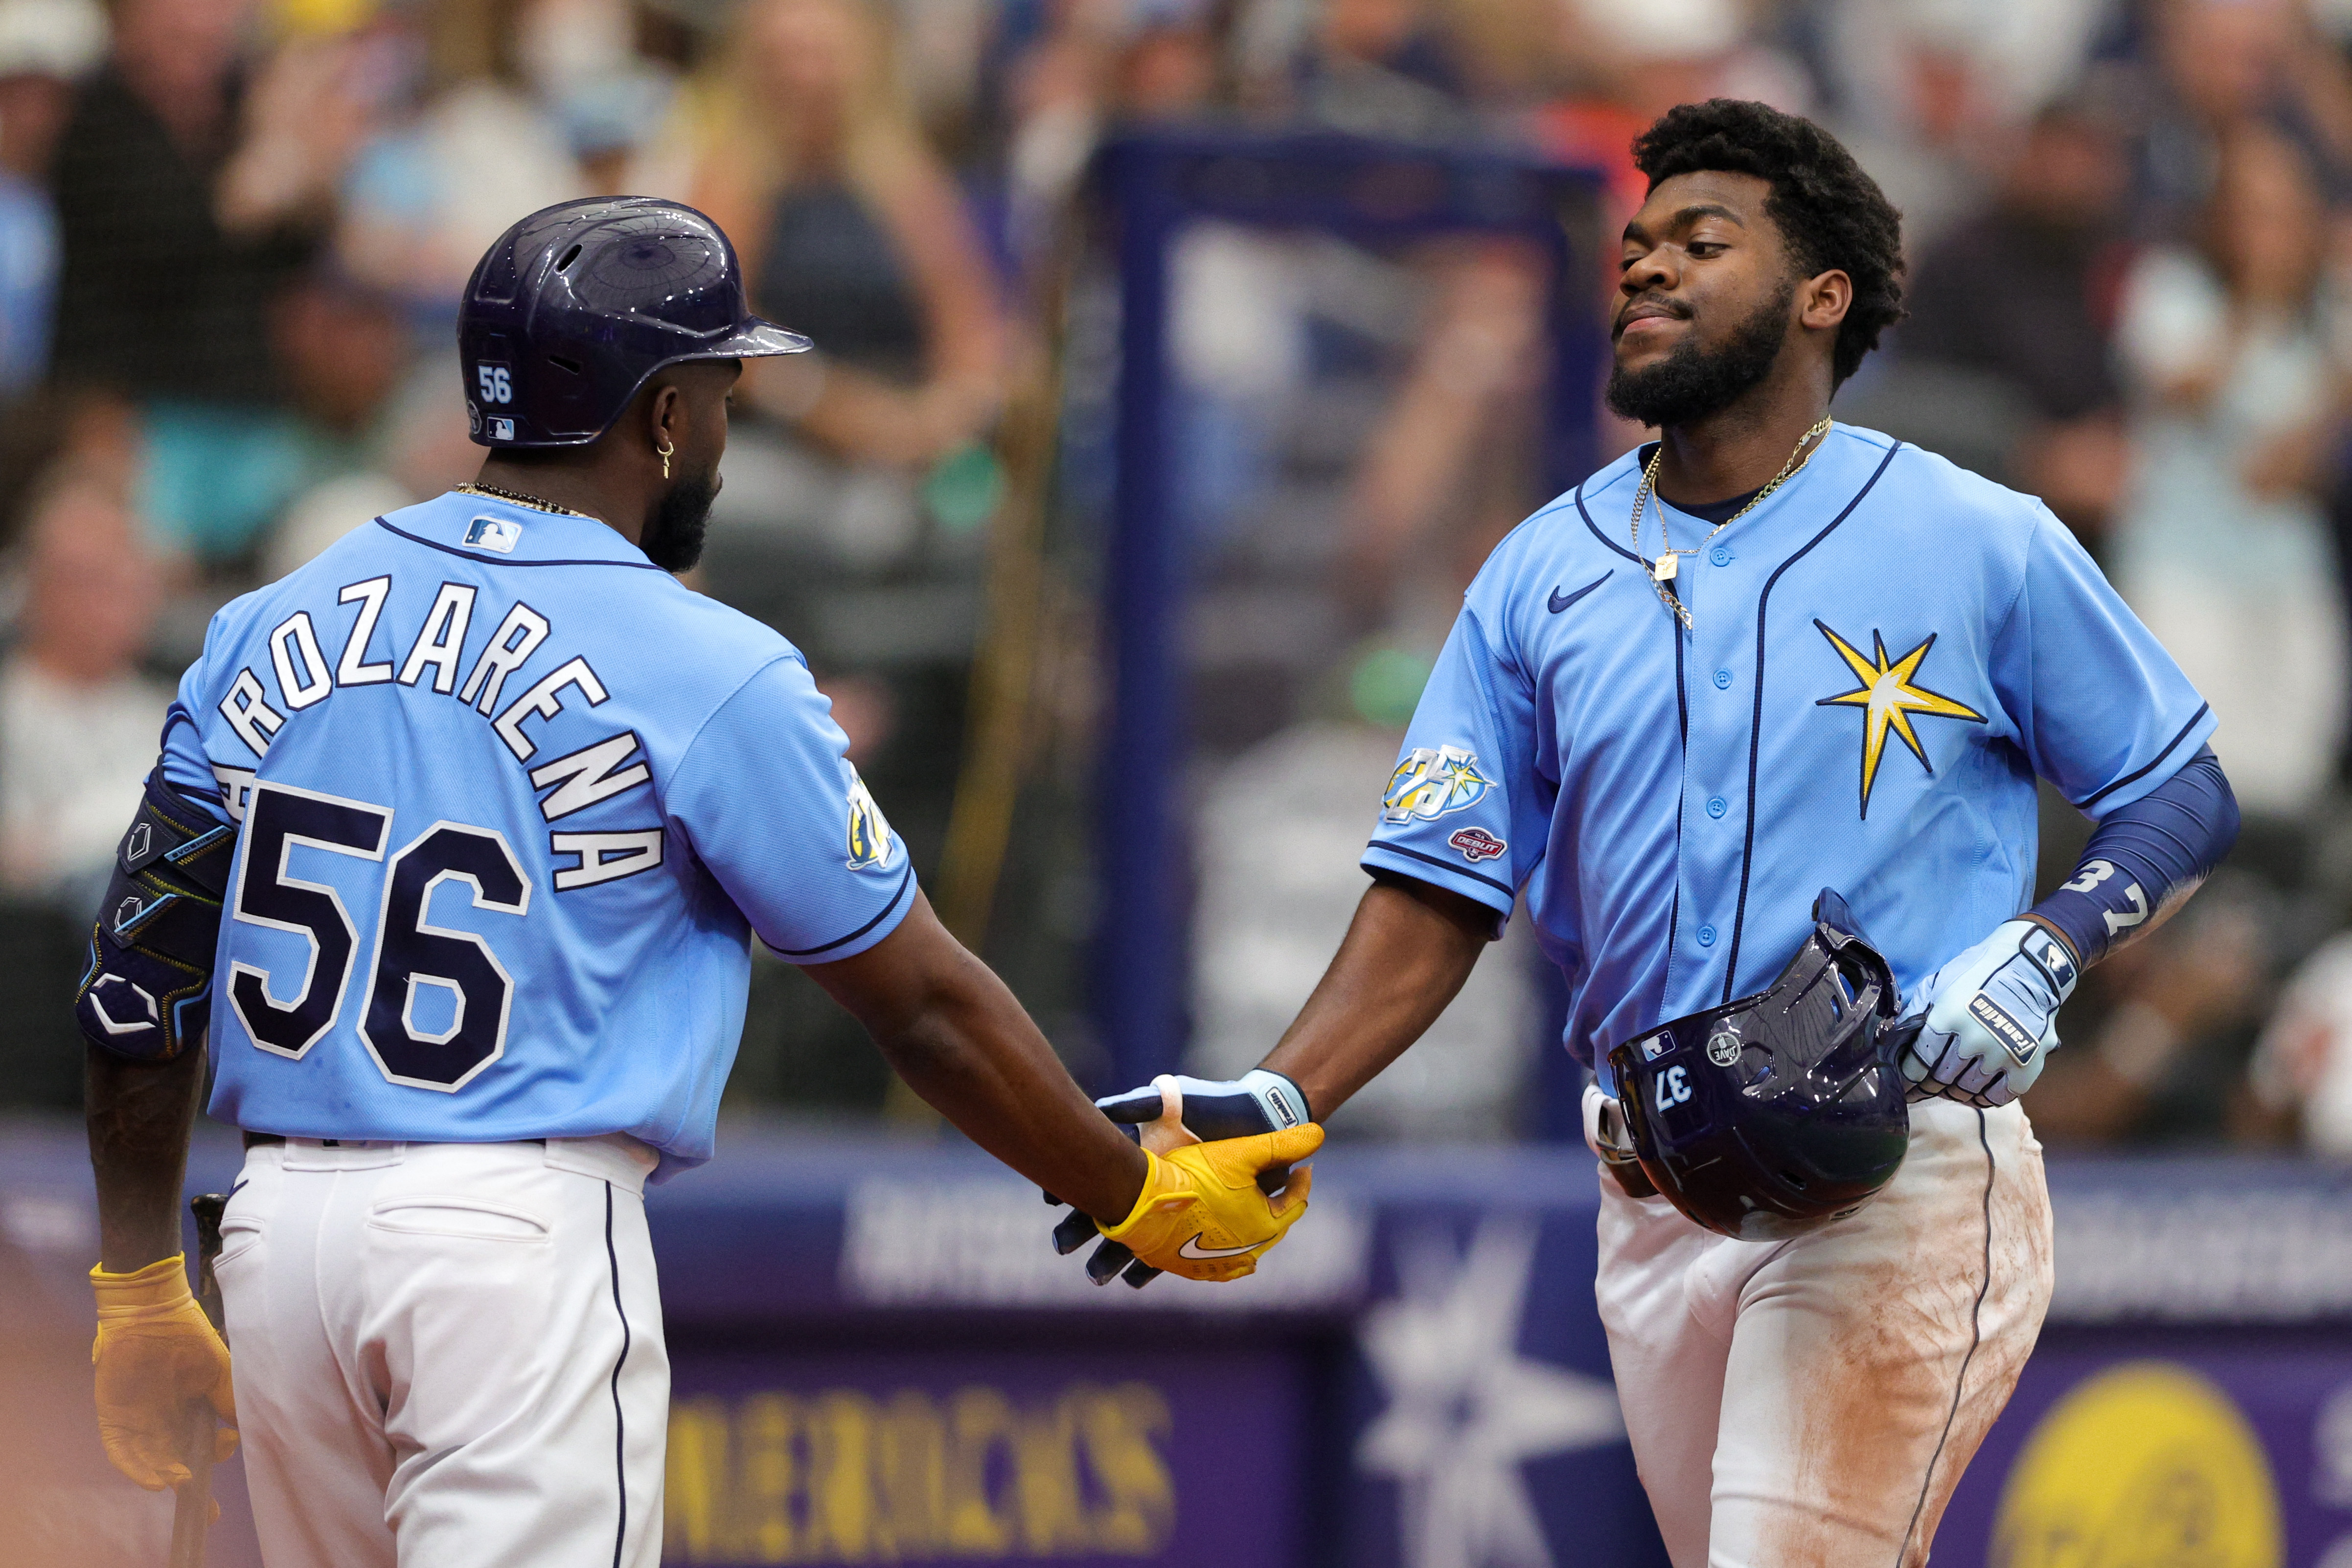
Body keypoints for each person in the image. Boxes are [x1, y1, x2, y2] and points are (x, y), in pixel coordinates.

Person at [1056, 100, 2239, 1563]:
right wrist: (1278, 1097)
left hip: (1896, 1161)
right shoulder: (1537, 573)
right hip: (1654, 1188)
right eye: (1637, 247)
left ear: (1822, 296)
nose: (1649, 268)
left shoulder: (1972, 533)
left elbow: (2179, 783)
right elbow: (1438, 890)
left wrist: (2049, 952)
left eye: (1702, 240)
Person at [74, 196, 1319, 1568]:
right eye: (721, 391)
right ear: (663, 416)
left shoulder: (269, 617)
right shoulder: (706, 663)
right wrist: (1125, 1186)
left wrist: (135, 1282)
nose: (727, 429)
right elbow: (923, 1010)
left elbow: (139, 981)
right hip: (510, 1242)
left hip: (276, 1240)